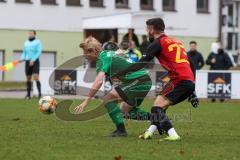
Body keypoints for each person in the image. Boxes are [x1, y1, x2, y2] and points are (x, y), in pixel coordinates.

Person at [113, 18, 199, 141]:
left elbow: (142, 63)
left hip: (179, 81)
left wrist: (121, 74)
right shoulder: (176, 42)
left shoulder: (158, 43)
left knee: (156, 108)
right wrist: (192, 90)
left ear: (152, 29)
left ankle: (173, 134)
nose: (147, 32)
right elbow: (192, 64)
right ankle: (149, 132)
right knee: (160, 106)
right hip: (185, 81)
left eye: (147, 29)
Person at [74, 36, 153, 137]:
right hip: (143, 80)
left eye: (86, 52)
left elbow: (98, 82)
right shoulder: (109, 53)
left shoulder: (102, 59)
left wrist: (86, 101)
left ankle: (121, 131)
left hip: (137, 81)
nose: (85, 55)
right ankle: (159, 119)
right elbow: (121, 54)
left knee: (108, 100)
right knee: (126, 111)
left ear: (93, 51)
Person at [21, 30, 42, 99]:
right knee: (28, 78)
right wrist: (22, 58)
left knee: (36, 77)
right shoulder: (26, 43)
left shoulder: (38, 42)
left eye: (31, 33)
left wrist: (33, 60)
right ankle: (28, 95)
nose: (30, 34)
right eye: (29, 33)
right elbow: (24, 52)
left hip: (35, 61)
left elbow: (39, 51)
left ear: (34, 34)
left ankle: (39, 94)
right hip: (27, 61)